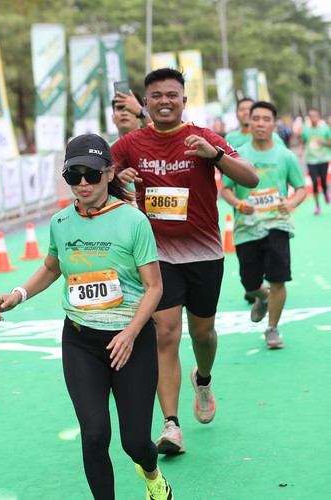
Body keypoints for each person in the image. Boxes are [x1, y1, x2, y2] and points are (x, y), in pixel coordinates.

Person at [0, 134, 173, 500]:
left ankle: (152, 475)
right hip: (80, 341)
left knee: (135, 442)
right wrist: (18, 294)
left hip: (131, 342)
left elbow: (154, 287)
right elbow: (52, 266)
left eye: (91, 174)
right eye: (73, 176)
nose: (83, 184)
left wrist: (130, 334)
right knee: (94, 434)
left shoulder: (134, 221)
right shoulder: (60, 221)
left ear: (109, 173)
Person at [111, 67, 259, 456]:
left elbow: (251, 178)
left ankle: (203, 379)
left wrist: (216, 156)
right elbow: (95, 178)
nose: (164, 101)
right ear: (145, 103)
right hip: (157, 255)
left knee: (203, 334)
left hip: (204, 252)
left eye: (172, 95)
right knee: (166, 334)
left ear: (184, 100)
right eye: (156, 96)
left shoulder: (205, 137)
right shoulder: (129, 143)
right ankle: (171, 425)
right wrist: (116, 180)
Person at [221, 101, 306, 349]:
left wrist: (291, 203)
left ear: (274, 124)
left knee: (278, 279)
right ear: (249, 122)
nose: (260, 123)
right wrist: (239, 204)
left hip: (278, 224)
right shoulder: (237, 155)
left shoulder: (285, 155)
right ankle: (263, 296)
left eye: (266, 119)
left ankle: (272, 328)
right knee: (249, 282)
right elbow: (225, 189)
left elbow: (301, 188)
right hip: (246, 228)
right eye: (256, 118)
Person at [298, 108, 331, 215]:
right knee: (315, 183)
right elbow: (303, 141)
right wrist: (301, 151)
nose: (313, 118)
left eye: (315, 116)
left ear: (318, 116)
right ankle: (317, 206)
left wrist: (322, 142)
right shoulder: (306, 130)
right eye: (311, 116)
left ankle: (325, 191)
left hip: (323, 159)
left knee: (323, 181)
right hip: (311, 161)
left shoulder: (325, 129)